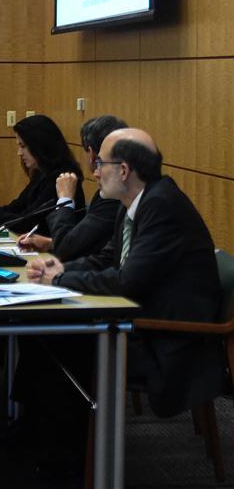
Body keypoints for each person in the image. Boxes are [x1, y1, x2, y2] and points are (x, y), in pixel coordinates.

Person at [27, 127, 222, 417]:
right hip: (142, 317)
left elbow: (127, 280)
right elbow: (109, 258)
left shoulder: (161, 206)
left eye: (98, 164)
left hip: (170, 341)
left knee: (59, 340)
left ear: (123, 171)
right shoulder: (138, 201)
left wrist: (58, 279)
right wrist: (62, 267)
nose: (93, 173)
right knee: (47, 333)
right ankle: (41, 434)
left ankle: (69, 454)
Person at [17, 114, 126, 260]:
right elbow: (95, 248)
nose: (96, 173)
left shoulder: (113, 197)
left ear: (92, 154)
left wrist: (65, 200)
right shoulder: (108, 194)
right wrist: (51, 244)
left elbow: (68, 250)